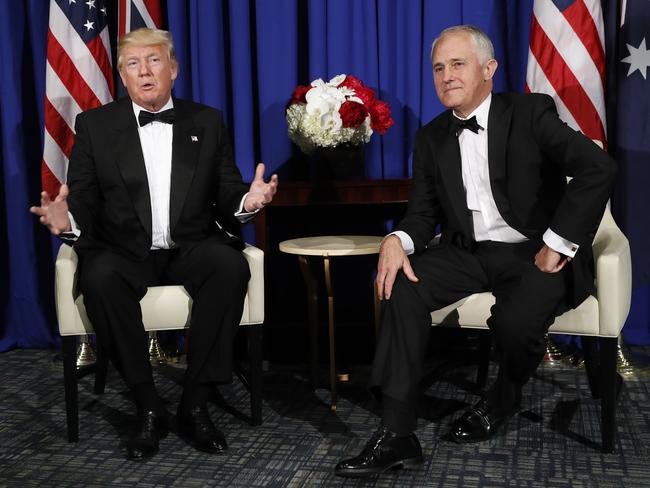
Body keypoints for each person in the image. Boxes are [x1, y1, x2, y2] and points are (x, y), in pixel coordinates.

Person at [335, 25, 616, 478]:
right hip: (468, 252)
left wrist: (556, 243)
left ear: (489, 69)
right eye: (439, 68)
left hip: (534, 251)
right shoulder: (430, 138)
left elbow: (598, 169)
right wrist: (395, 241)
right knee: (401, 287)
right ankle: (397, 434)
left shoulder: (529, 113)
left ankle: (504, 396)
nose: (446, 76)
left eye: (458, 64)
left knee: (514, 323)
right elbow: (422, 217)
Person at [31, 27, 278, 461]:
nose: (144, 71)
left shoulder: (206, 120)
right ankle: (147, 404)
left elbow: (227, 188)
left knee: (230, 266)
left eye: (154, 60)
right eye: (133, 63)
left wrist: (247, 200)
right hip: (124, 250)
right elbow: (84, 197)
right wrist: (66, 218)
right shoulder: (95, 126)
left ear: (174, 69)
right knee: (100, 275)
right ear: (123, 77)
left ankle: (195, 402)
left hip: (190, 246)